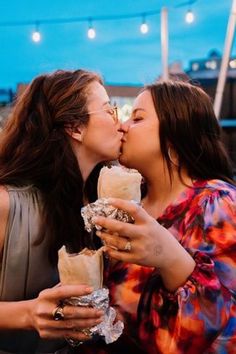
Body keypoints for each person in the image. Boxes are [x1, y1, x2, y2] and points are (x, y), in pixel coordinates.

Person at [92, 80, 236, 353]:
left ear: (175, 135)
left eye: (137, 118)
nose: (122, 126)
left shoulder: (218, 204)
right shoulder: (126, 204)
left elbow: (227, 334)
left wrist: (171, 260)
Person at [0, 69, 123, 353]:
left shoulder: (99, 206)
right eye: (109, 110)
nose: (121, 123)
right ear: (75, 127)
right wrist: (28, 314)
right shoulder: (7, 203)